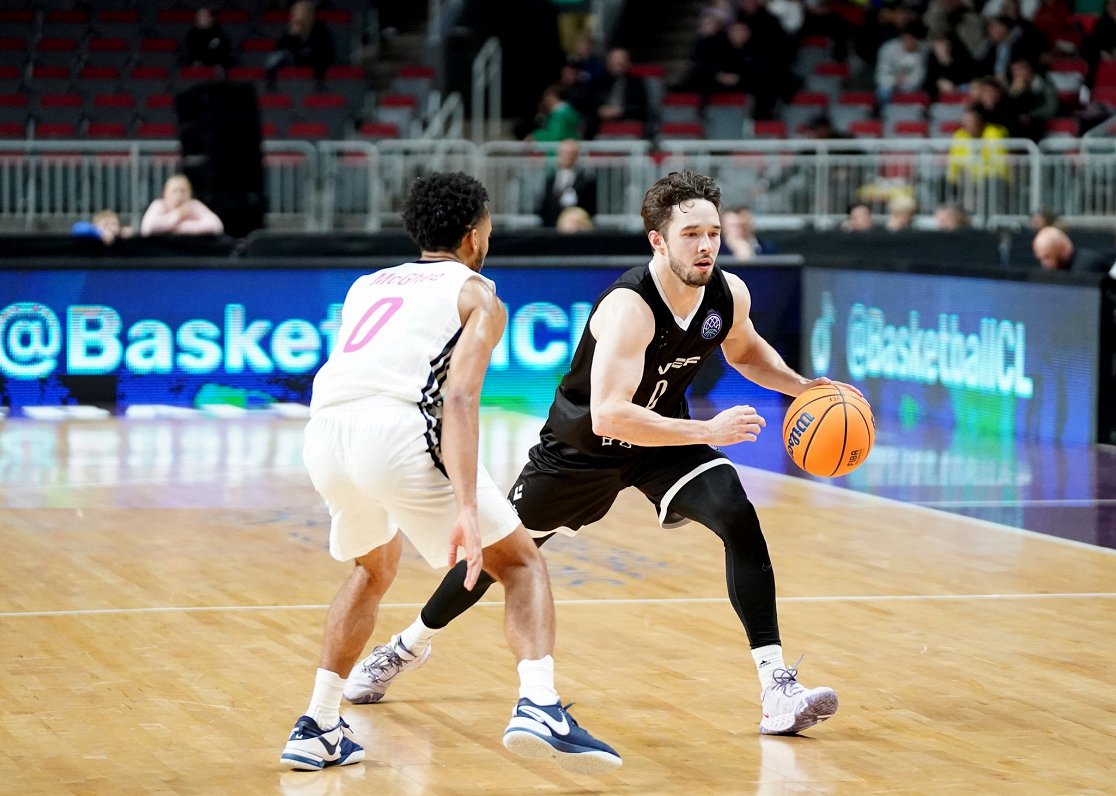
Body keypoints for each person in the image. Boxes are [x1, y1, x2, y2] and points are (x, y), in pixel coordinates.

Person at [344, 170, 859, 738]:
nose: (707, 245)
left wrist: (807, 388)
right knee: (498, 560)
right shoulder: (629, 306)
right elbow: (608, 413)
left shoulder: (727, 293)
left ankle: (776, 688)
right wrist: (709, 430)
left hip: (659, 440)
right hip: (581, 451)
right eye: (691, 234)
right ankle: (408, 644)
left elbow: (746, 350)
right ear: (658, 240)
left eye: (712, 232)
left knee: (739, 517)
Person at [280, 171, 620, 775]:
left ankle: (318, 724)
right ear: (473, 233)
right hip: (397, 433)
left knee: (372, 569)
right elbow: (458, 400)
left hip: (325, 434)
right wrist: (465, 503)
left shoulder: (368, 284)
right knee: (519, 562)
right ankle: (540, 704)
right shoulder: (478, 294)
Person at [266, 0, 336, 85]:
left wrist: (308, 47)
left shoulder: (321, 29)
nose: (297, 15)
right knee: (274, 58)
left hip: (314, 58)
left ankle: (319, 83)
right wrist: (291, 35)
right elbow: (281, 48)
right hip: (296, 57)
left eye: (301, 12)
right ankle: (270, 83)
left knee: (321, 56)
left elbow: (326, 48)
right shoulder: (290, 29)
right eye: (295, 12)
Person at [536, 138, 597, 226]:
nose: (567, 156)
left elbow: (591, 209)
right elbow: (544, 205)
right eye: (564, 153)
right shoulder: (550, 179)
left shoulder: (586, 181)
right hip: (552, 230)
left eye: (571, 153)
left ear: (577, 155)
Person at [140, 175, 224, 237]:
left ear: (190, 193)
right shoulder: (158, 205)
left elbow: (217, 226)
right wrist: (177, 215)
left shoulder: (194, 205)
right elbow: (147, 228)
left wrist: (178, 228)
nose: (179, 195)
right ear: (165, 193)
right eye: (175, 191)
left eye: (183, 191)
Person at [1032, 225, 1115, 273]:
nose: (1044, 264)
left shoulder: (1087, 266)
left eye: (1047, 257)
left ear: (1062, 248)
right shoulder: (1053, 271)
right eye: (1041, 259)